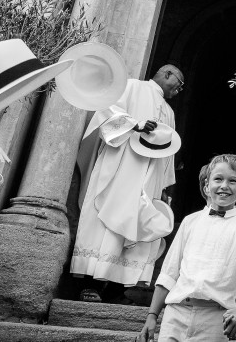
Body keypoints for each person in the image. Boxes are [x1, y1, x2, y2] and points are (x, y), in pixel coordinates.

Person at [72, 64, 185, 302]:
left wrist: (163, 187)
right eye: (179, 82)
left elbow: (168, 154)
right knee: (109, 222)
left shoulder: (169, 111)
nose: (180, 89)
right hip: (123, 166)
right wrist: (135, 125)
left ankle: (117, 288)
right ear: (166, 74)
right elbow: (105, 114)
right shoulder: (133, 86)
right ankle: (91, 283)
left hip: (150, 177)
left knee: (140, 227)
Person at [138, 154, 236, 342]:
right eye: (218, 179)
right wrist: (152, 315)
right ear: (206, 185)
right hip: (176, 313)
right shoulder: (190, 222)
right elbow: (169, 272)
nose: (224, 186)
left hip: (215, 318)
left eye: (233, 181)